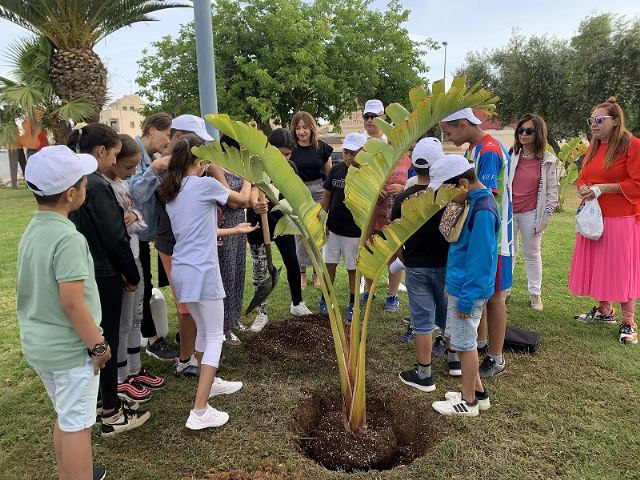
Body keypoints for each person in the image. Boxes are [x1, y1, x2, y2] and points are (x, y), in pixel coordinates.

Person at [18, 145, 110, 480]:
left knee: (66, 415)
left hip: (41, 346)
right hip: (69, 350)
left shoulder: (34, 230)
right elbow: (71, 302)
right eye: (84, 183)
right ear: (71, 193)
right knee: (78, 426)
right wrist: (97, 345)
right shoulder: (68, 238)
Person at [158, 134, 256, 430]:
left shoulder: (174, 190)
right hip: (202, 270)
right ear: (201, 160)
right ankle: (200, 410)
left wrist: (233, 231)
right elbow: (241, 200)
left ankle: (209, 384)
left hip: (184, 269)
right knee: (215, 336)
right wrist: (248, 175)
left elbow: (199, 230)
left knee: (204, 330)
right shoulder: (205, 185)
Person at [68, 124, 150, 436]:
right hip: (104, 273)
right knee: (107, 340)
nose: (116, 162)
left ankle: (106, 401)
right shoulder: (97, 185)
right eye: (115, 155)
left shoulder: (80, 181)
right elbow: (114, 236)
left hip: (93, 270)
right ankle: (111, 412)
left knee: (102, 338)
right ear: (102, 152)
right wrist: (130, 273)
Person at [440, 108, 513, 379]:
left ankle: (495, 356)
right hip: (480, 235)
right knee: (485, 294)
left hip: (494, 239)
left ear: (462, 124)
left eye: (449, 132)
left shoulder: (489, 150)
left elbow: (486, 199)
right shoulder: (475, 148)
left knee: (494, 296)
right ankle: (478, 342)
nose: (448, 137)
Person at [430, 155, 498, 416]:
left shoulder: (482, 211)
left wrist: (467, 299)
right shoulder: (473, 201)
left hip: (468, 292)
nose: (443, 199)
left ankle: (468, 402)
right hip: (460, 286)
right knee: (461, 341)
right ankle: (479, 394)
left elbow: (481, 260)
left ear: (461, 183)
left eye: (445, 192)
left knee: (465, 345)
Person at [569, 97, 640, 345]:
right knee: (600, 265)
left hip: (622, 218)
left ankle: (628, 320)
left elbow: (637, 184)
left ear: (616, 121)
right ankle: (604, 310)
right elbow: (583, 176)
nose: (594, 125)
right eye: (592, 120)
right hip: (595, 218)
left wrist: (604, 188)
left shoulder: (633, 146)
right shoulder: (594, 147)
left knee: (622, 268)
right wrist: (583, 188)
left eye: (600, 120)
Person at [155, 114, 221, 376]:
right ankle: (186, 359)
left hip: (186, 245)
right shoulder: (170, 173)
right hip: (175, 244)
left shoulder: (182, 178)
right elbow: (233, 196)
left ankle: (195, 358)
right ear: (179, 139)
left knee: (194, 313)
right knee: (186, 308)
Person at [105, 134, 166, 403]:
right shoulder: (103, 187)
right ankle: (120, 378)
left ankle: (133, 369)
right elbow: (112, 229)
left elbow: (139, 215)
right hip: (120, 262)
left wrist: (135, 216)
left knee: (134, 318)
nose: (132, 173)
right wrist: (129, 219)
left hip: (133, 255)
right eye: (129, 167)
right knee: (121, 322)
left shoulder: (121, 183)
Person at [395, 146, 452, 393]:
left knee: (422, 320)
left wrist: (404, 258)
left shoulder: (404, 196)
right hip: (444, 264)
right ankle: (455, 362)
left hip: (416, 264)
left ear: (414, 166)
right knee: (446, 315)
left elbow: (395, 235)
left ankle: (424, 374)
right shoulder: (446, 195)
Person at [247, 128, 313, 332]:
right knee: (260, 269)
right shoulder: (256, 167)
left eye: (288, 154)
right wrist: (255, 204)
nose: (284, 158)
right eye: (280, 153)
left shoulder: (291, 168)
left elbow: (294, 194)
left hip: (281, 222)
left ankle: (297, 303)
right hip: (258, 224)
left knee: (292, 261)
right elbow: (250, 192)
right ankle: (261, 313)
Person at [128, 112, 179, 361]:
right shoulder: (136, 155)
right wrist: (153, 169)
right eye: (166, 135)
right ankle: (151, 340)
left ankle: (150, 337)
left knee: (146, 284)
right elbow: (134, 195)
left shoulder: (150, 157)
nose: (168, 142)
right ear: (152, 130)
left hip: (147, 233)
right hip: (133, 234)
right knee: (142, 285)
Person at [360, 99, 410, 312]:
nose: (371, 120)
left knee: (393, 254)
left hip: (395, 213)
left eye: (375, 117)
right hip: (371, 212)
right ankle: (368, 292)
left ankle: (392, 295)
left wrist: (402, 186)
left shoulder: (401, 149)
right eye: (367, 116)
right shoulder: (360, 145)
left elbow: (416, 178)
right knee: (370, 250)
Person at [510, 113, 559, 311]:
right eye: (521, 130)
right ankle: (505, 290)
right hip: (510, 213)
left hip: (532, 213)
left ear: (538, 133)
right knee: (508, 253)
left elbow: (552, 192)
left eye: (529, 131)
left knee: (532, 254)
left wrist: (545, 217)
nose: (524, 134)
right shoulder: (512, 154)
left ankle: (535, 294)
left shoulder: (548, 160)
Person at [319, 132, 367, 321]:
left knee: (352, 269)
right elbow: (327, 196)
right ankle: (326, 299)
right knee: (329, 265)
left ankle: (353, 304)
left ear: (363, 153)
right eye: (347, 152)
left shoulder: (367, 175)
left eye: (354, 153)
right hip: (333, 229)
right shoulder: (336, 170)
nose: (349, 157)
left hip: (354, 232)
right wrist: (322, 220)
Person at [289, 111, 333, 289]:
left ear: (311, 128)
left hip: (318, 192)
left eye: (305, 127)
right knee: (299, 234)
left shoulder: (321, 147)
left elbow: (329, 174)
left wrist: (330, 197)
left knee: (316, 233)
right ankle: (302, 274)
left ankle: (316, 272)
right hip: (298, 192)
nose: (301, 132)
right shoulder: (291, 149)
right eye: (298, 128)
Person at [218, 135, 252, 346]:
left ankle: (234, 317)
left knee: (239, 271)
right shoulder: (216, 167)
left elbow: (246, 201)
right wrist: (248, 181)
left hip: (240, 225)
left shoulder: (239, 168)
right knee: (227, 274)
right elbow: (233, 202)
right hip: (227, 227)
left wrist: (242, 199)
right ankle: (224, 326)